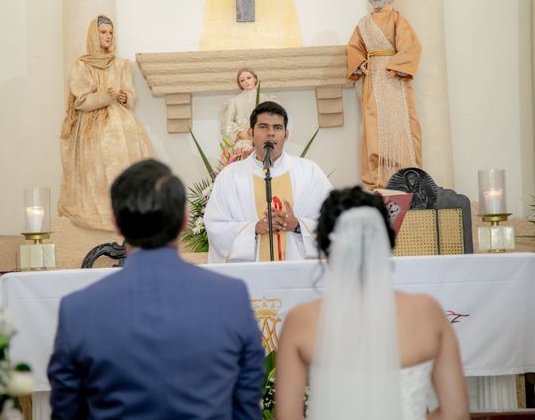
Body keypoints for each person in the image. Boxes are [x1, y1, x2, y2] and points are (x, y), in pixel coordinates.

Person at [48, 159, 265, 419]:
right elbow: (246, 407)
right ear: (185, 221)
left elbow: (67, 411)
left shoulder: (77, 309)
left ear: (117, 224)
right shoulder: (232, 297)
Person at [274, 187, 469, 420]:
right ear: (387, 239)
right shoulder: (427, 311)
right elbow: (455, 413)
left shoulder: (301, 321)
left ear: (325, 247)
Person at [204, 101, 333, 263]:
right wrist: (255, 229)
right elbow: (216, 226)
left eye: (277, 128)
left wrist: (298, 225)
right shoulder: (230, 176)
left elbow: (334, 221)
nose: (270, 133)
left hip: (299, 275)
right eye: (263, 127)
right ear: (251, 133)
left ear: (286, 135)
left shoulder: (310, 172)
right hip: (251, 277)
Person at [58, 15, 153, 231]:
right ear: (94, 34)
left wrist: (122, 96)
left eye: (110, 33)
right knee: (100, 160)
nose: (108, 36)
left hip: (122, 121)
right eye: (103, 32)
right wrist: (104, 96)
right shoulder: (80, 65)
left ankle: (127, 208)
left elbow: (130, 95)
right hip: (92, 125)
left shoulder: (122, 65)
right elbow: (81, 101)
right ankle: (104, 208)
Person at [347, 0, 423, 190]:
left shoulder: (397, 18)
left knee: (401, 126)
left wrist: (398, 65)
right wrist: (359, 62)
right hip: (373, 79)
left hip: (394, 78)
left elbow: (411, 46)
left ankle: (406, 176)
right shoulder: (363, 23)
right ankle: (378, 180)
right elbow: (354, 47)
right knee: (374, 127)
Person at [219, 67, 278, 150]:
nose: (246, 81)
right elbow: (227, 123)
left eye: (249, 78)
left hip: (262, 141)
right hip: (242, 143)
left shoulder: (266, 100)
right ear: (239, 84)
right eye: (242, 80)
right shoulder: (235, 101)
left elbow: (273, 120)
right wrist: (239, 133)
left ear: (255, 78)